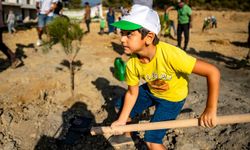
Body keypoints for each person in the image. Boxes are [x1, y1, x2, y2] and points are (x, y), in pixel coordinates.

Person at [110, 4, 220, 150]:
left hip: (172, 99)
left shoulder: (171, 55)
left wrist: (210, 108)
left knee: (152, 140)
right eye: (122, 33)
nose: (122, 39)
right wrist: (122, 121)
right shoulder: (132, 64)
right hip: (152, 90)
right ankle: (127, 135)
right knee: (120, 106)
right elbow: (132, 93)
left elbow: (212, 72)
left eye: (129, 34)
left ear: (148, 37)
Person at [0, 3, 21, 68]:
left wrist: (7, 21)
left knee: (10, 28)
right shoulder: (13, 14)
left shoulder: (10, 15)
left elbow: (9, 18)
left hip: (5, 23)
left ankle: (13, 58)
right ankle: (13, 58)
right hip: (3, 24)